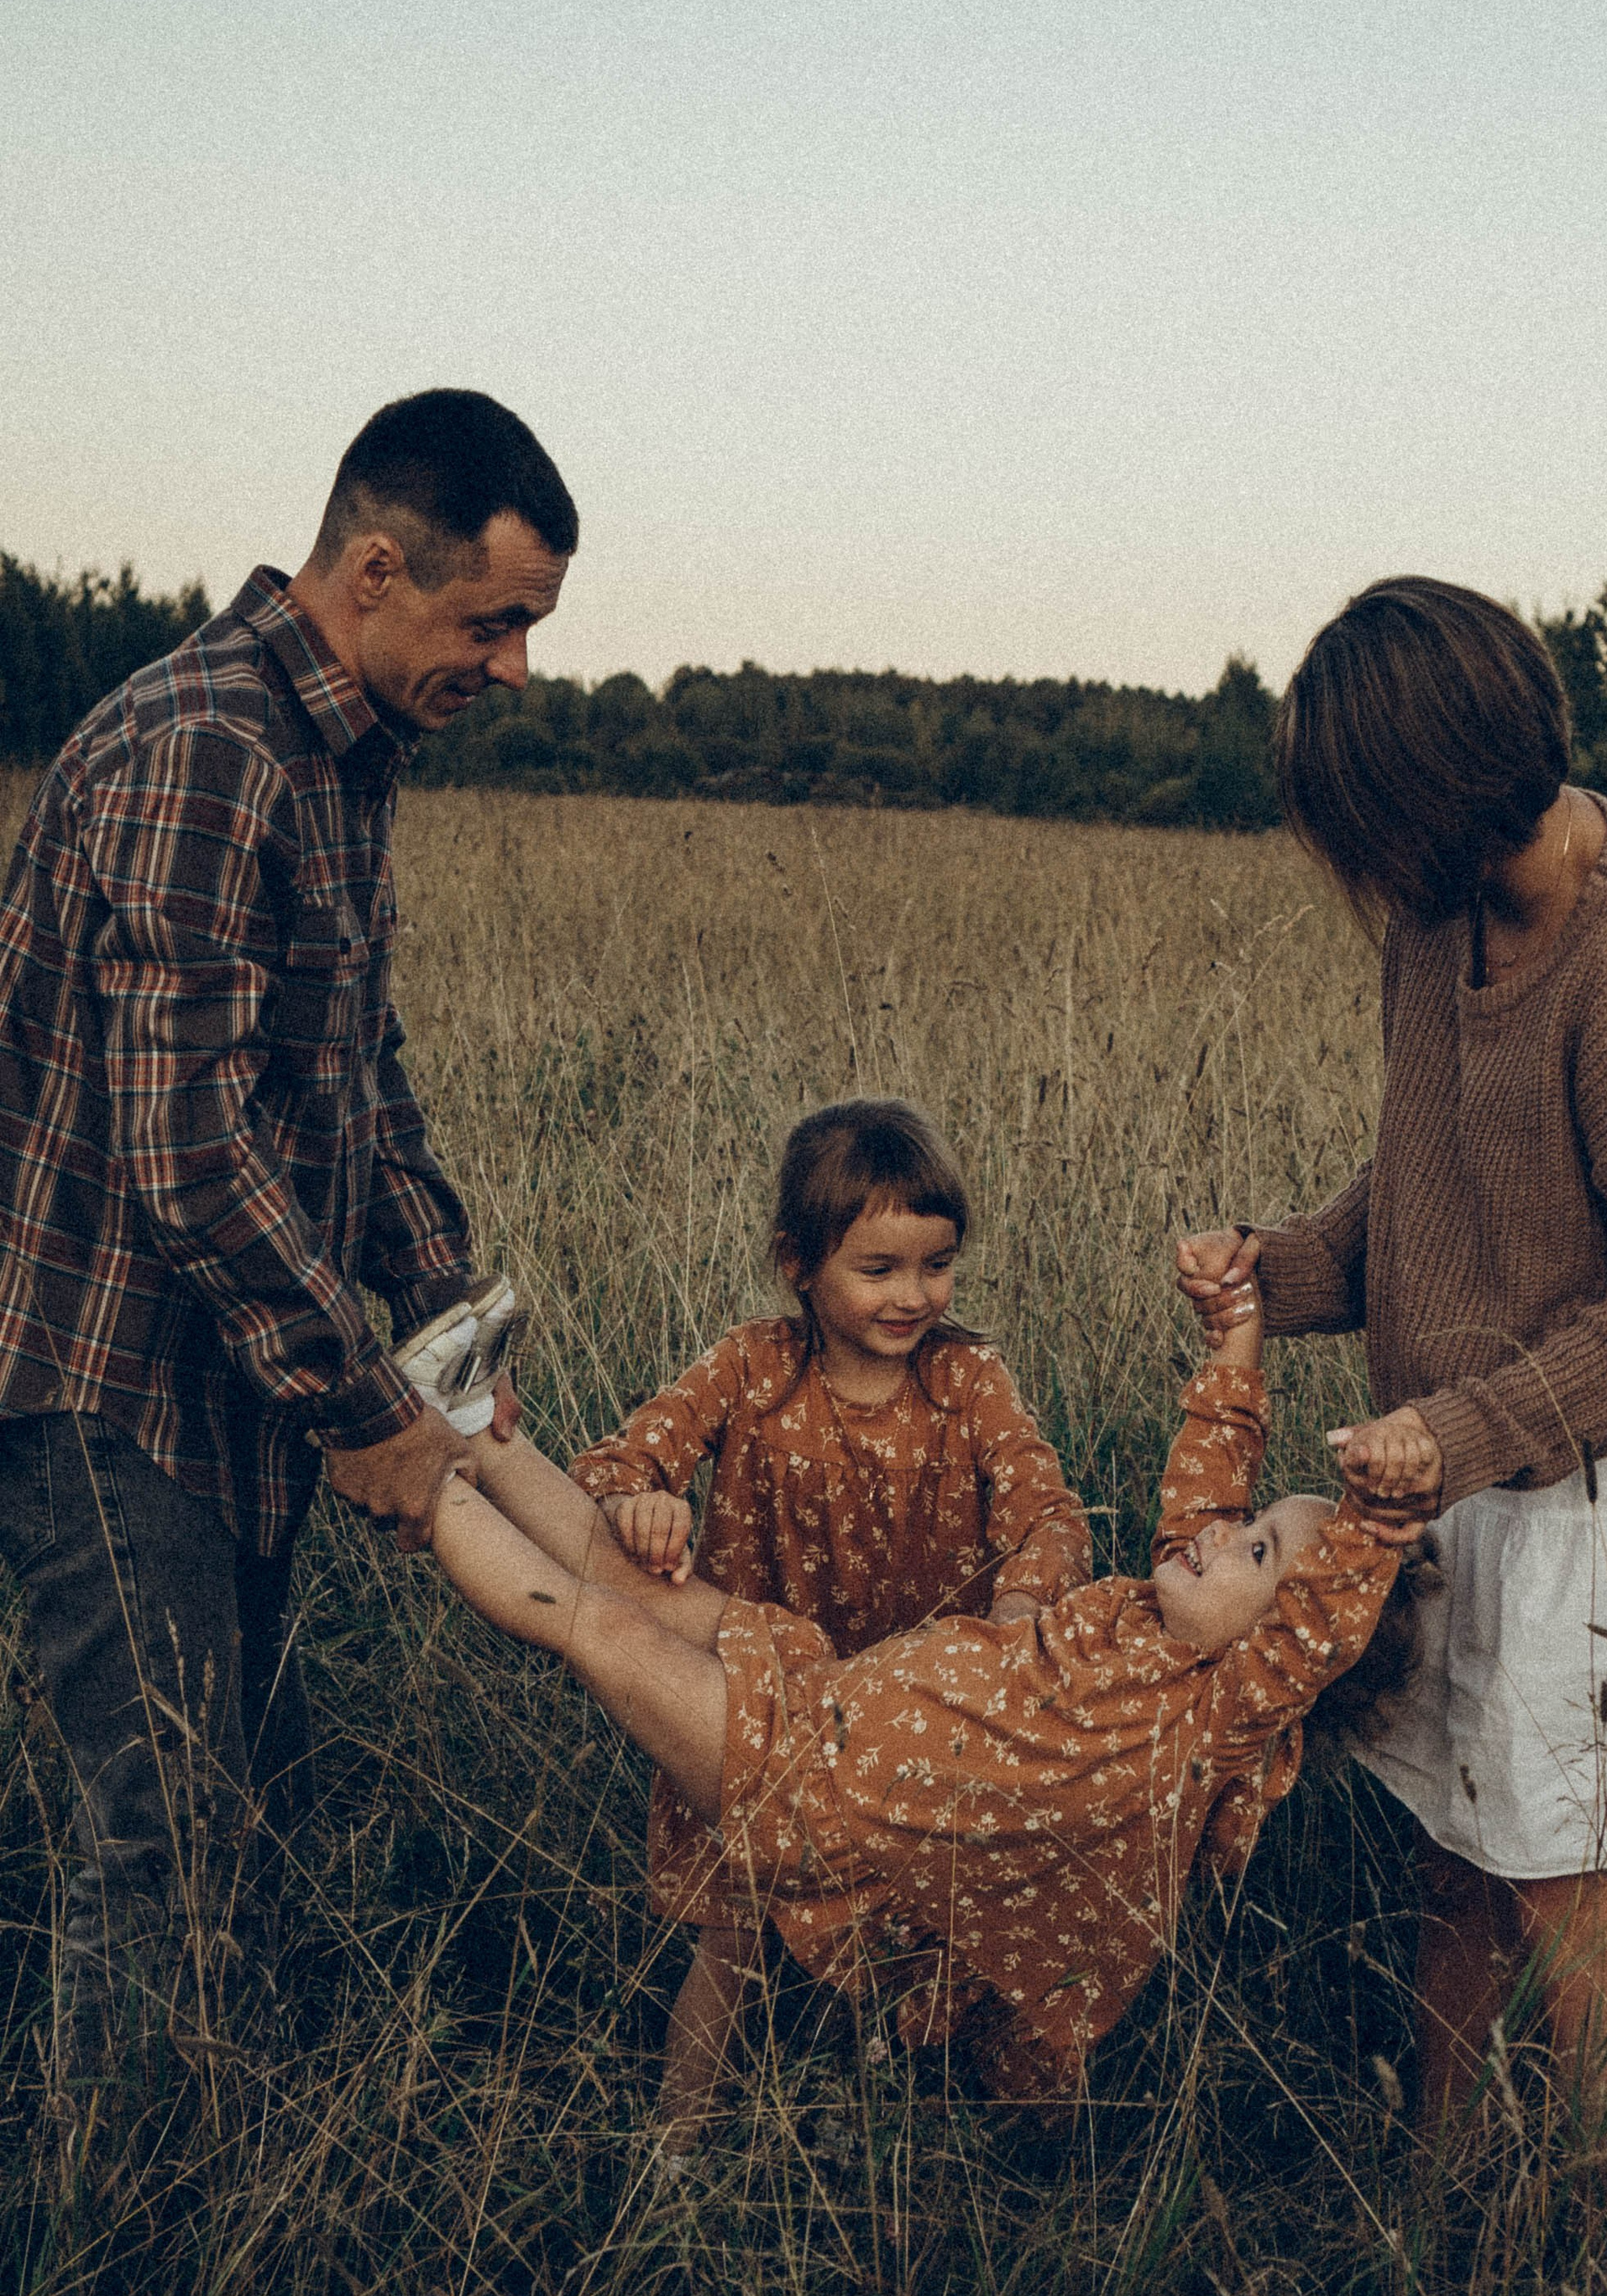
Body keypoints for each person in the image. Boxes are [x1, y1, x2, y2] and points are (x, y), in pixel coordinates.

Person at [1178, 576, 1607, 2144]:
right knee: (1455, 1847)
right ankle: (1443, 2199)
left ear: (1430, 805)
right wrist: (1273, 1272)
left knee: (1576, 1897)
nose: (1346, 869)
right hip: (1476, 1465)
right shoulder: (1444, 916)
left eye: (1354, 825)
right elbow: (1434, 1180)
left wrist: (1465, 1431)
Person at [0, 388, 576, 2159]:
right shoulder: (206, 749)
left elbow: (347, 1077)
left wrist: (445, 1311)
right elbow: (185, 1154)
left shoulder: (340, 755)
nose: (519, 667)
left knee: (227, 1808)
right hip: (110, 1388)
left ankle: (177, 2167)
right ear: (376, 569)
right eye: (499, 621)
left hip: (226, 1384)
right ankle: (110, 2285)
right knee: (164, 1834)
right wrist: (366, 1409)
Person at [409, 1261, 1399, 2116]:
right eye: (1245, 1522)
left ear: (1284, 1649)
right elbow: (1207, 1483)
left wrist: (1380, 1515)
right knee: (630, 1586)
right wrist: (1240, 1335)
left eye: (1255, 1548)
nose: (1221, 1534)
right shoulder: (1162, 1605)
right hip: (823, 1686)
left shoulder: (1211, 1706)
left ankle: (416, 1472)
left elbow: (1320, 1615)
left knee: (598, 1626)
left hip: (820, 1794)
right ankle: (470, 1425)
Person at [569, 1098, 1092, 2140]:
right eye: (880, 1268)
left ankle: (947, 2138)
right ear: (797, 1263)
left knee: (935, 1923)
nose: (914, 1296)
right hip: (766, 1702)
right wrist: (641, 1500)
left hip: (916, 1709)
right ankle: (677, 2141)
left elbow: (1048, 1505)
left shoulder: (965, 1380)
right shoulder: (753, 1370)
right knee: (737, 1932)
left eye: (937, 1265)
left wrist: (1026, 1600)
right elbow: (618, 1463)